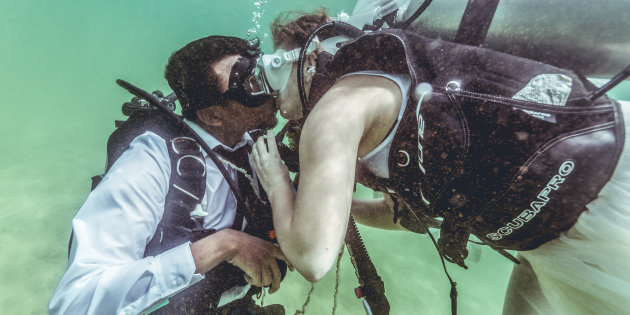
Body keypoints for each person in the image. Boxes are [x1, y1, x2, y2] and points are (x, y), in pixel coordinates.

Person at [246, 10, 630, 315]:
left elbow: (313, 259)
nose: (270, 96)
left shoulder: (334, 111)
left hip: (597, 196)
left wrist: (278, 183)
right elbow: (413, 216)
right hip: (556, 228)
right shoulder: (372, 85)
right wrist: (335, 207)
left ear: (309, 58)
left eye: (272, 73)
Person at [49, 35, 289, 315]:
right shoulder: (152, 161)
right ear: (213, 115)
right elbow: (74, 303)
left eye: (263, 74)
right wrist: (225, 246)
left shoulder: (257, 144)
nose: (271, 91)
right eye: (252, 85)